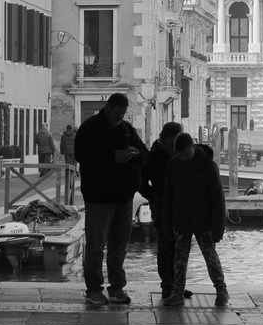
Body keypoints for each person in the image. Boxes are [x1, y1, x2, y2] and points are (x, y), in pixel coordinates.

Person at [72, 94, 147, 305]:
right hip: (99, 197)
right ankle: (94, 289)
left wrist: (135, 153)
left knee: (119, 246)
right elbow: (82, 155)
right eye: (117, 113)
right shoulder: (89, 128)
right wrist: (113, 157)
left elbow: (145, 153)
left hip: (123, 196)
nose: (119, 117)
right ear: (108, 107)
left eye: (123, 114)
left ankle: (116, 288)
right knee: (96, 246)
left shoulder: (127, 129)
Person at [160, 133, 228, 306]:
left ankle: (221, 291)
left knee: (210, 256)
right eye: (179, 155)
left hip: (204, 221)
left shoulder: (208, 166)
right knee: (179, 258)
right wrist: (167, 224)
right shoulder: (173, 165)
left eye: (185, 154)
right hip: (181, 219)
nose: (182, 158)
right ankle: (177, 293)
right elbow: (167, 197)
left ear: (193, 147)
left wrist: (218, 227)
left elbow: (218, 199)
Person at [141, 121, 185, 301]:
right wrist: (154, 197)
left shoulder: (179, 153)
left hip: (179, 205)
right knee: (165, 246)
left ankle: (178, 286)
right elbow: (142, 182)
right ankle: (167, 285)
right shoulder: (155, 155)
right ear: (166, 138)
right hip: (161, 205)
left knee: (179, 247)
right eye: (174, 138)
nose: (176, 141)